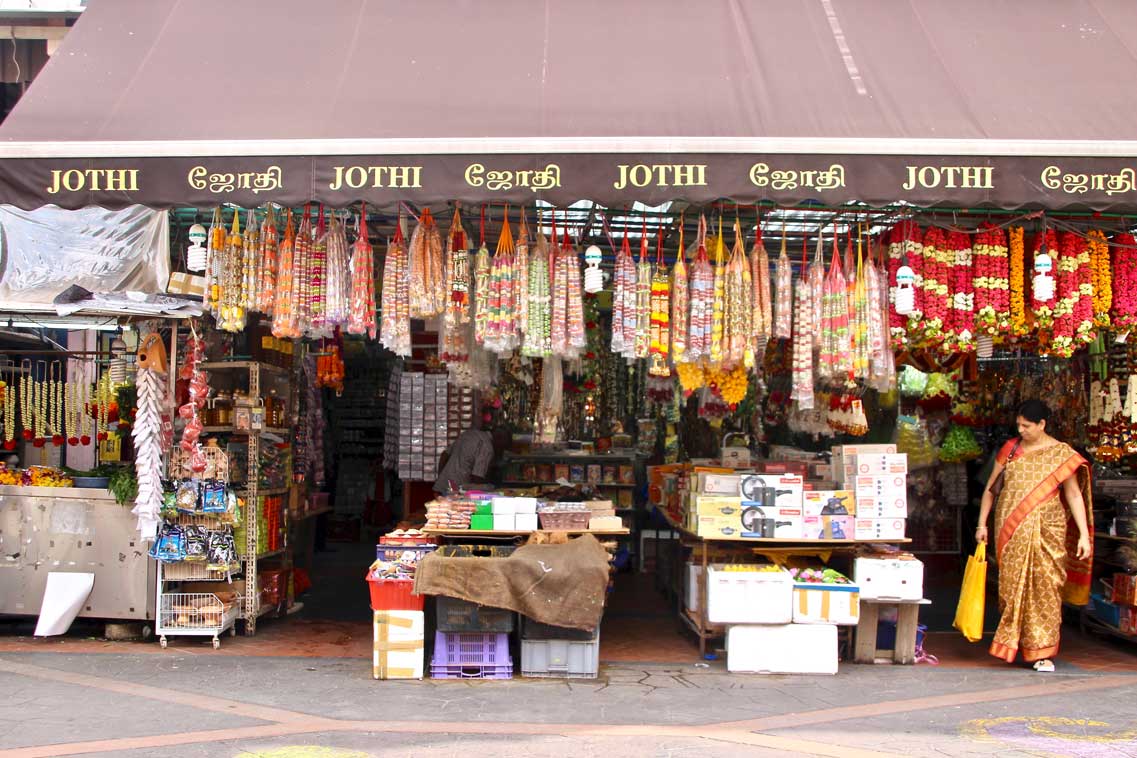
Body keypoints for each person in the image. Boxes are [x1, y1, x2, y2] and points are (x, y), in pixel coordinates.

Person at [976, 399, 1092, 672]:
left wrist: (1084, 535)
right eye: (1019, 425)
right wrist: (982, 525)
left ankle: (1042, 653)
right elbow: (991, 490)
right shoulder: (1011, 449)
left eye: (1027, 426)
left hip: (1047, 530)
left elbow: (1073, 495)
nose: (1022, 430)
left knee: (1046, 588)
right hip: (1011, 529)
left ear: (1042, 424)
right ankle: (1014, 642)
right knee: (1010, 587)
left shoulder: (1061, 454)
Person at [432, 416, 509, 495]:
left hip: (444, 485)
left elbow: (444, 455)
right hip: (458, 490)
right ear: (499, 438)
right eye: (503, 446)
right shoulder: (487, 448)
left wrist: (441, 477)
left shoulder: (469, 434)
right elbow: (477, 478)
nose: (501, 449)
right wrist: (488, 488)